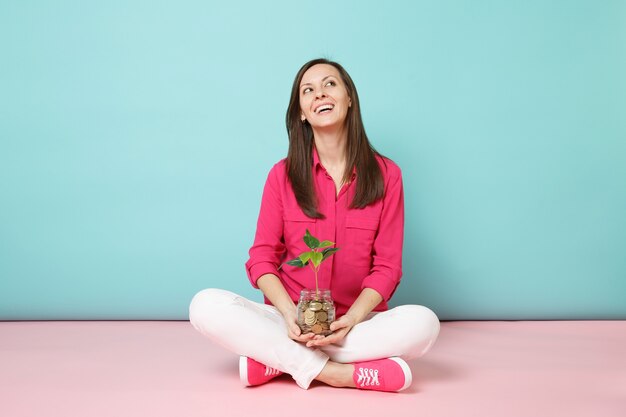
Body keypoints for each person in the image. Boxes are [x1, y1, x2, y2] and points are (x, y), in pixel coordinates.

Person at [189, 58, 440, 392]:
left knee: (425, 323)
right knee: (205, 305)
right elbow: (261, 257)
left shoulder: (387, 175)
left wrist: (351, 319)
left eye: (330, 84)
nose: (320, 93)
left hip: (358, 323)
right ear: (303, 113)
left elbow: (388, 267)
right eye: (308, 90)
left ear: (350, 98)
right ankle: (336, 372)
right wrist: (289, 314)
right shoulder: (282, 175)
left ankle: (277, 361)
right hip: (288, 319)